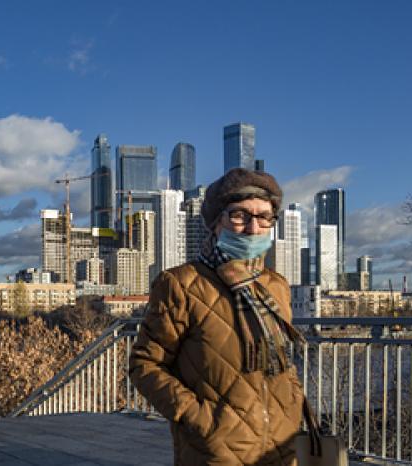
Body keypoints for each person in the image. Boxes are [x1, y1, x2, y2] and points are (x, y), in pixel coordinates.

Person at [130, 168, 305, 465]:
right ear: (216, 221)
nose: (253, 227)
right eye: (240, 215)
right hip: (217, 452)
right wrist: (200, 420)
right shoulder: (181, 284)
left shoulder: (275, 286)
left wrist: (295, 403)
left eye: (264, 217)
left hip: (282, 446)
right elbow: (145, 365)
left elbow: (282, 361)